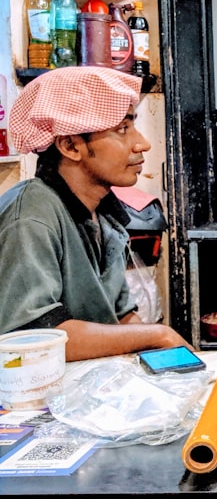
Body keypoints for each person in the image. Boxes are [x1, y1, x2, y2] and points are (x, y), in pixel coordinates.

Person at [0, 67, 190, 361]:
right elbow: (35, 337)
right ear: (70, 145)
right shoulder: (31, 216)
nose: (142, 143)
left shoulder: (103, 213)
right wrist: (156, 334)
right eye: (122, 129)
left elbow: (121, 316)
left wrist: (163, 361)